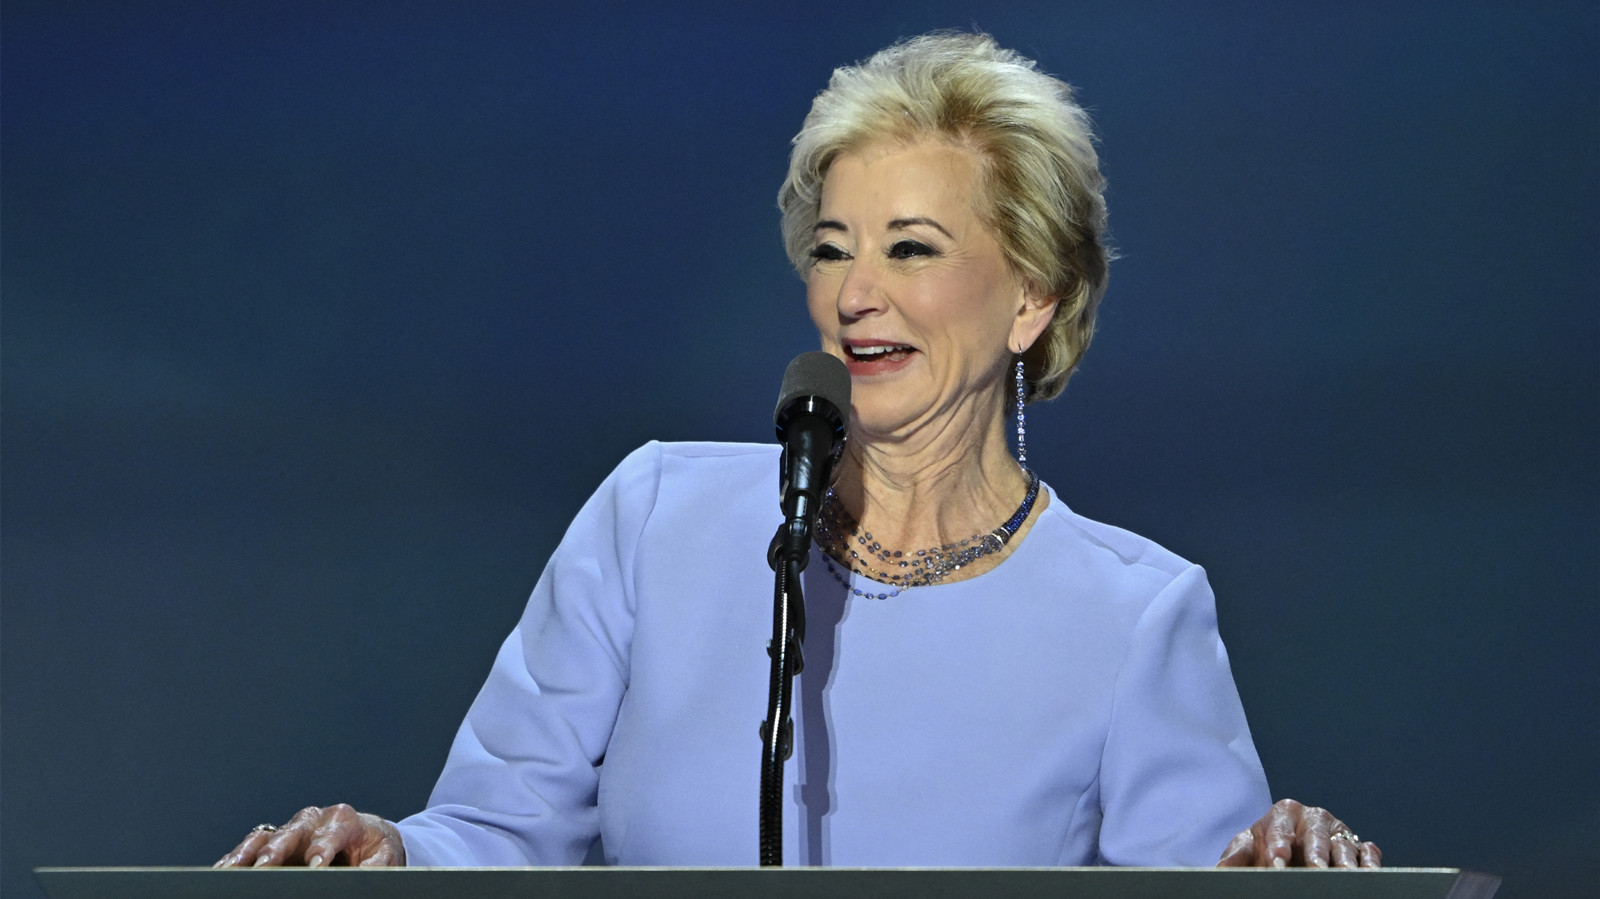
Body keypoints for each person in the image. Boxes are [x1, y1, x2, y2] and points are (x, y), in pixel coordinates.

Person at [218, 31, 1381, 870]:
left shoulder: (1134, 615)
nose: (855, 294)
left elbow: (1214, 880)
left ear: (1032, 295)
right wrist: (392, 856)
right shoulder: (654, 517)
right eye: (831, 249)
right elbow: (495, 831)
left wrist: (1289, 865)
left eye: (911, 248)